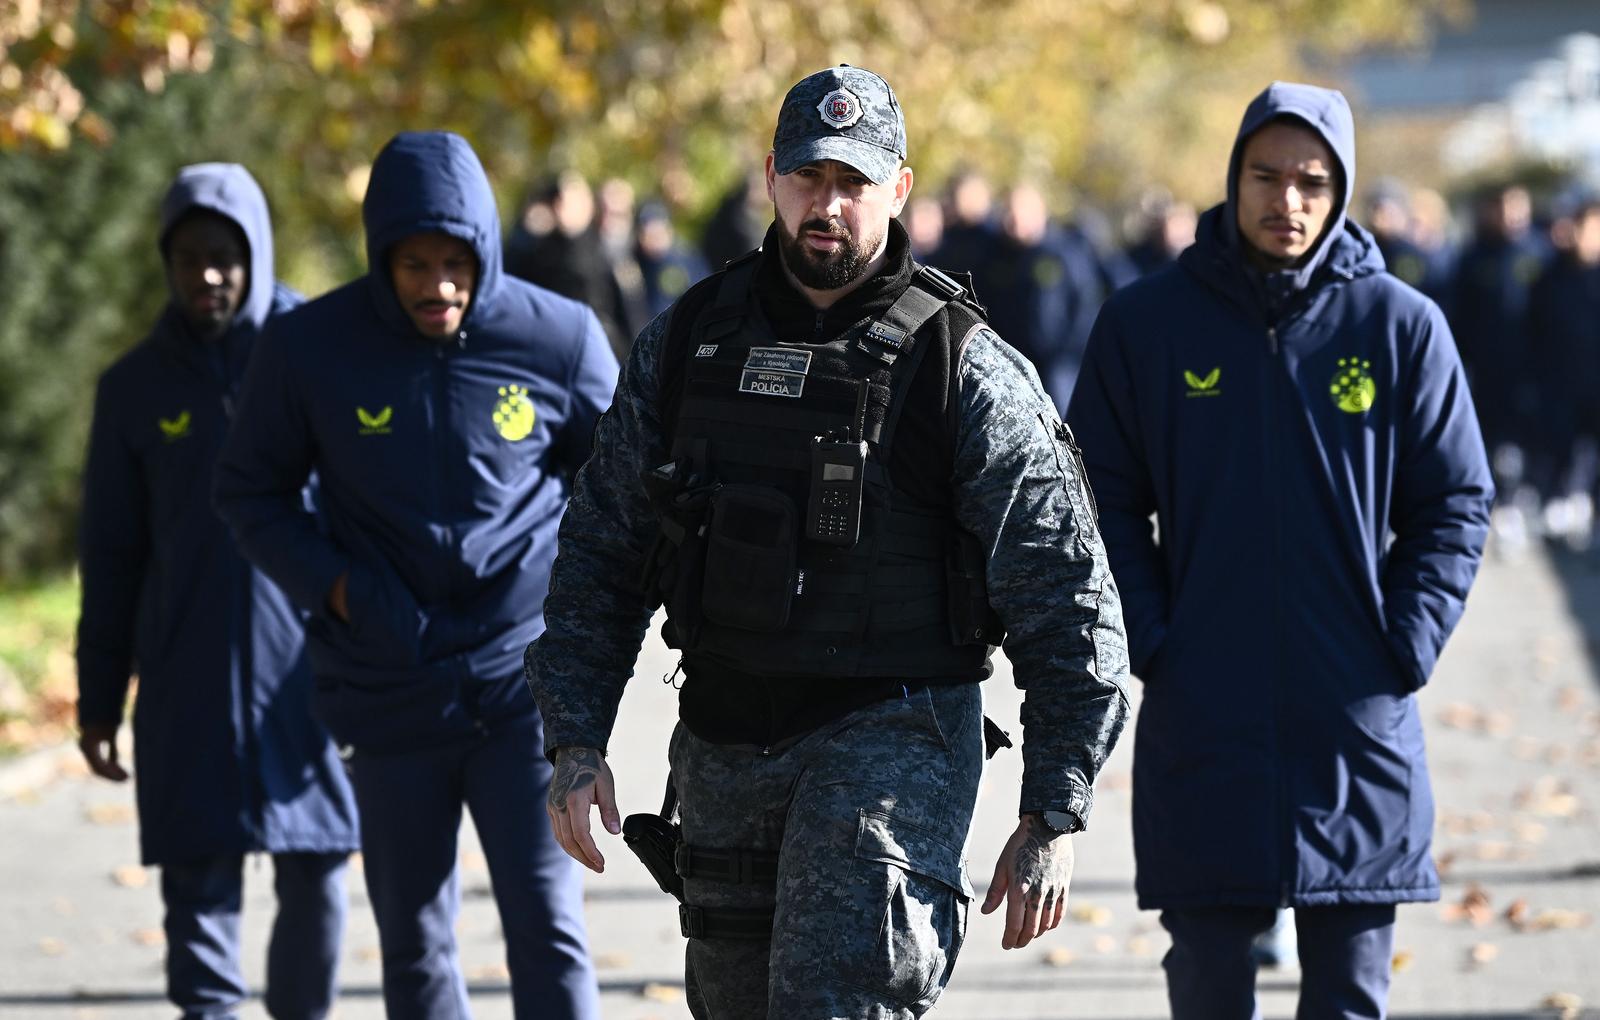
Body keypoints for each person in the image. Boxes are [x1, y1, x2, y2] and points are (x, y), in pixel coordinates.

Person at [526, 64, 1130, 1020]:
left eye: (855, 182)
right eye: (809, 178)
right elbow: (604, 546)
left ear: (899, 189)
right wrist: (576, 738)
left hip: (893, 736)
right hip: (726, 736)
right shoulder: (689, 341)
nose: (829, 205)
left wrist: (1055, 805)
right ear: (771, 176)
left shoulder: (961, 366)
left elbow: (1067, 594)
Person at [1069, 82, 1493, 1018]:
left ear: (1341, 190)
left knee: (1348, 996)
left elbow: (1456, 501)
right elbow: (1093, 500)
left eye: (1311, 181)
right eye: (1267, 176)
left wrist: (1406, 640)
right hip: (1205, 710)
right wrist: (1154, 636)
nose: (1287, 201)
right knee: (1211, 989)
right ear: (1234, 177)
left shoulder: (1398, 327)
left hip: (1356, 717)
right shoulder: (1148, 325)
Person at [214, 132, 613, 1019]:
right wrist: (343, 589)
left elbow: (626, 491)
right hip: (391, 684)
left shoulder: (558, 339)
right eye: (414, 263)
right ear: (380, 256)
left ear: (486, 251)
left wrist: (581, 610)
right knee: (415, 941)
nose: (437, 286)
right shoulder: (310, 348)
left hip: (525, 690)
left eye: (455, 262)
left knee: (547, 926)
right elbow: (249, 491)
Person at [77, 163, 359, 1019]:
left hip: (308, 683)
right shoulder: (133, 389)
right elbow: (111, 553)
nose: (206, 275)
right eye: (188, 257)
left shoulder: (319, 352)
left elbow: (370, 516)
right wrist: (98, 698)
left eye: (225, 257)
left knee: (316, 874)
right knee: (198, 900)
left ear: (257, 255)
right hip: (183, 683)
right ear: (166, 261)